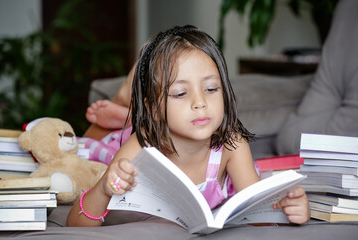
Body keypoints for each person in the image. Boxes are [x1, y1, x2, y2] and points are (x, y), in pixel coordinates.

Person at [67, 25, 310, 227]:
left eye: (211, 89)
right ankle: (122, 110)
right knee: (84, 151)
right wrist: (104, 190)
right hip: (139, 136)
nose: (200, 103)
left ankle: (126, 115)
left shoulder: (231, 145)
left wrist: (291, 210)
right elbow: (75, 223)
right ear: (152, 106)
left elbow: (260, 217)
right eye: (181, 93)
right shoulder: (140, 146)